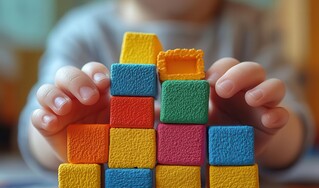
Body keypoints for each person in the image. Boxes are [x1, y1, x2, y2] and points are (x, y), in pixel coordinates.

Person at [18, 0, 314, 178]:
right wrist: (63, 131)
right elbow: (36, 121)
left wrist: (263, 130)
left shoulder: (256, 29)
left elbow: (297, 121)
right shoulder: (79, 32)